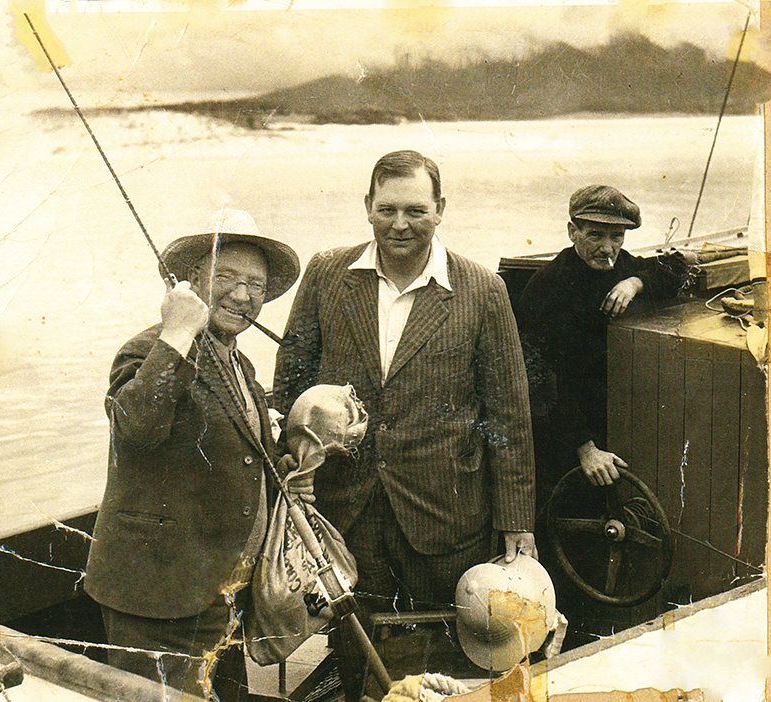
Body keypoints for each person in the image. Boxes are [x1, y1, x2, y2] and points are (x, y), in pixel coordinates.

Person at [274, 150, 536, 699]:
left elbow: (508, 415)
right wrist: (298, 468)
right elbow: (291, 382)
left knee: (446, 652)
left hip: (447, 512)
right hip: (349, 507)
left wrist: (517, 523)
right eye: (387, 208)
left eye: (416, 210)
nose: (399, 224)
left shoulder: (483, 289)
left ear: (441, 209)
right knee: (354, 645)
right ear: (367, 207)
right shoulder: (326, 275)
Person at [84, 209, 300, 700]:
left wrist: (287, 465)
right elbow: (136, 428)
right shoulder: (147, 349)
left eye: (256, 286)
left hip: (219, 597)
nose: (242, 295)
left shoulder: (239, 362)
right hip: (156, 600)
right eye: (225, 277)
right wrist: (176, 333)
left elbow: (242, 456)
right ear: (192, 282)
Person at [517, 184, 685, 508]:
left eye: (617, 237)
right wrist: (584, 448)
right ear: (572, 232)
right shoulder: (548, 287)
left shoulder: (621, 266)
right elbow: (541, 382)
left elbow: (673, 272)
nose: (607, 248)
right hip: (563, 434)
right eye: (595, 235)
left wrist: (635, 283)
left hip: (611, 419)